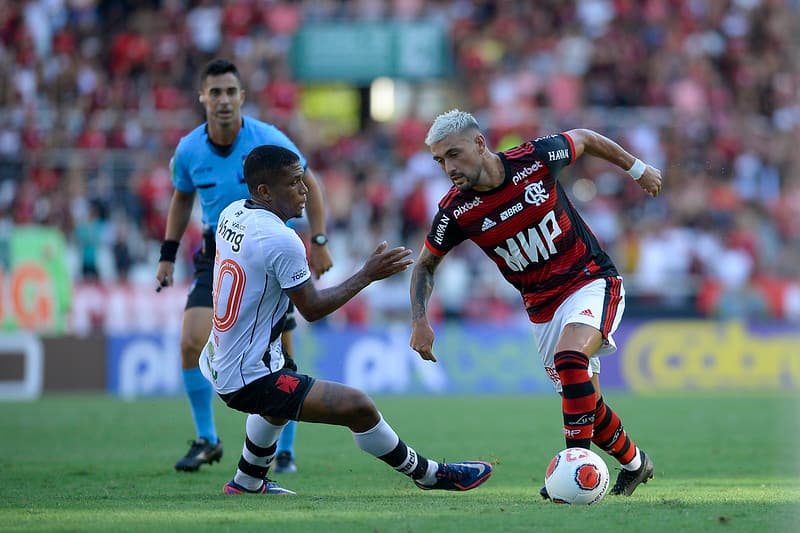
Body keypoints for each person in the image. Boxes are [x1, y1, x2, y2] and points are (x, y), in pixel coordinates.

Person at [199, 144, 493, 495]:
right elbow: (312, 307)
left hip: (222, 357)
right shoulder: (282, 240)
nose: (305, 190)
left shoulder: (233, 213)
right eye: (293, 183)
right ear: (264, 191)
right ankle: (430, 474)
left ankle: (247, 481)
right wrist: (366, 274)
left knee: (280, 399)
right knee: (358, 406)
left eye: (303, 180)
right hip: (249, 375)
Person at [409, 109, 660, 498]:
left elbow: (586, 137)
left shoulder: (534, 159)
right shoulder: (456, 211)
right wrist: (419, 320)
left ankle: (574, 468)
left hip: (590, 280)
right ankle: (636, 463)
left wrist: (637, 168)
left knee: (570, 359)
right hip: (542, 309)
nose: (448, 167)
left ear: (479, 143)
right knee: (585, 402)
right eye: (440, 160)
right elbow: (425, 266)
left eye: (454, 154)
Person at [155, 59, 333, 473]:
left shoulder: (268, 139)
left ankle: (284, 449)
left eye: (230, 92)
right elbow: (182, 198)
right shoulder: (188, 150)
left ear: (242, 97)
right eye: (214, 92)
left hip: (267, 255)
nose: (223, 100)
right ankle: (206, 439)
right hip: (219, 249)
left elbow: (311, 184)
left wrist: (320, 240)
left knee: (282, 354)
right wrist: (167, 255)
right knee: (189, 342)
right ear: (202, 97)